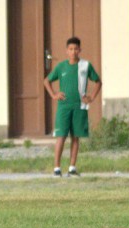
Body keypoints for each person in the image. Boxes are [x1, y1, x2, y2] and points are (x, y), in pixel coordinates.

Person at [44, 36, 102, 177]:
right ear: (66, 51)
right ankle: (57, 169)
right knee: (61, 136)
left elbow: (98, 82)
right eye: (70, 49)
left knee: (76, 137)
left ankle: (72, 168)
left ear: (80, 50)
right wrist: (54, 95)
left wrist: (91, 97)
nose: (73, 51)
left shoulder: (85, 66)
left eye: (76, 49)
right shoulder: (61, 67)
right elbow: (47, 81)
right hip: (64, 107)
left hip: (80, 106)